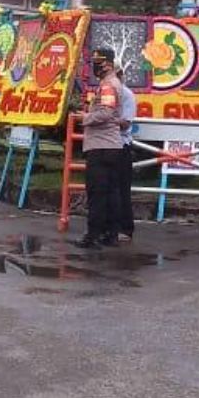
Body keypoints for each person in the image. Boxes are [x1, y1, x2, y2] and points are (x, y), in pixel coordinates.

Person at [73, 48, 126, 249]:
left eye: (99, 61)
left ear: (109, 64)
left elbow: (105, 113)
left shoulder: (108, 85)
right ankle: (110, 234)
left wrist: (85, 118)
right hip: (110, 146)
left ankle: (92, 236)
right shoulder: (112, 83)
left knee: (97, 193)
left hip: (101, 146)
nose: (96, 65)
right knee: (111, 193)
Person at [116, 68, 137, 242]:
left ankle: (125, 228)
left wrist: (103, 119)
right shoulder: (103, 92)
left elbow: (125, 123)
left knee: (122, 188)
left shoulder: (127, 95)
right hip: (103, 144)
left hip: (121, 145)